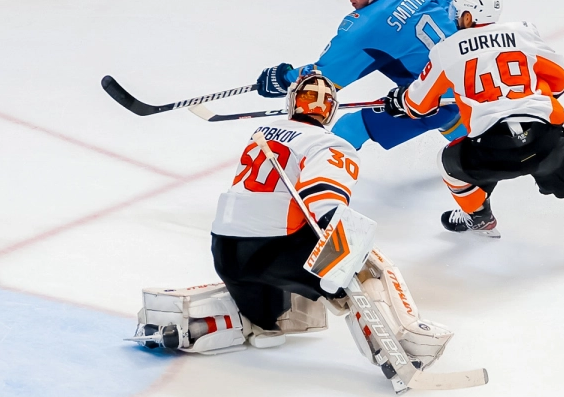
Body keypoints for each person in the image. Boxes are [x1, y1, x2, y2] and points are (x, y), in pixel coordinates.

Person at [131, 68, 455, 380]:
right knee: (366, 262)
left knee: (267, 318)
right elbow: (324, 201)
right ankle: (404, 344)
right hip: (273, 250)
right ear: (329, 113)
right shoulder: (332, 144)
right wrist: (340, 264)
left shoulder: (263, 133)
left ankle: (227, 324)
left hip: (226, 253)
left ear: (292, 103)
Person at [382, 0, 564, 250]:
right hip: (546, 138)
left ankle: (479, 217)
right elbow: (560, 81)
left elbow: (419, 105)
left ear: (469, 16)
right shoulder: (522, 33)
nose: (455, 18)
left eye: (458, 13)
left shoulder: (446, 51)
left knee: (447, 162)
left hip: (493, 149)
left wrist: (399, 100)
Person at [254, 0, 465, 151]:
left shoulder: (365, 27)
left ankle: (321, 180)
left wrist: (283, 78)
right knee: (443, 102)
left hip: (434, 99)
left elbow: (324, 79)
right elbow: (457, 15)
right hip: (473, 78)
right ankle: (472, 140)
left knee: (348, 128)